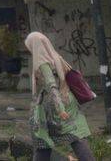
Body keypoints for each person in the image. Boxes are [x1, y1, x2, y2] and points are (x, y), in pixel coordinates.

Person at [25, 32, 95, 161]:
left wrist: (60, 109)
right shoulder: (56, 57)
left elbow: (52, 87)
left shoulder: (42, 63)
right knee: (76, 136)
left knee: (43, 141)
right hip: (69, 101)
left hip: (54, 107)